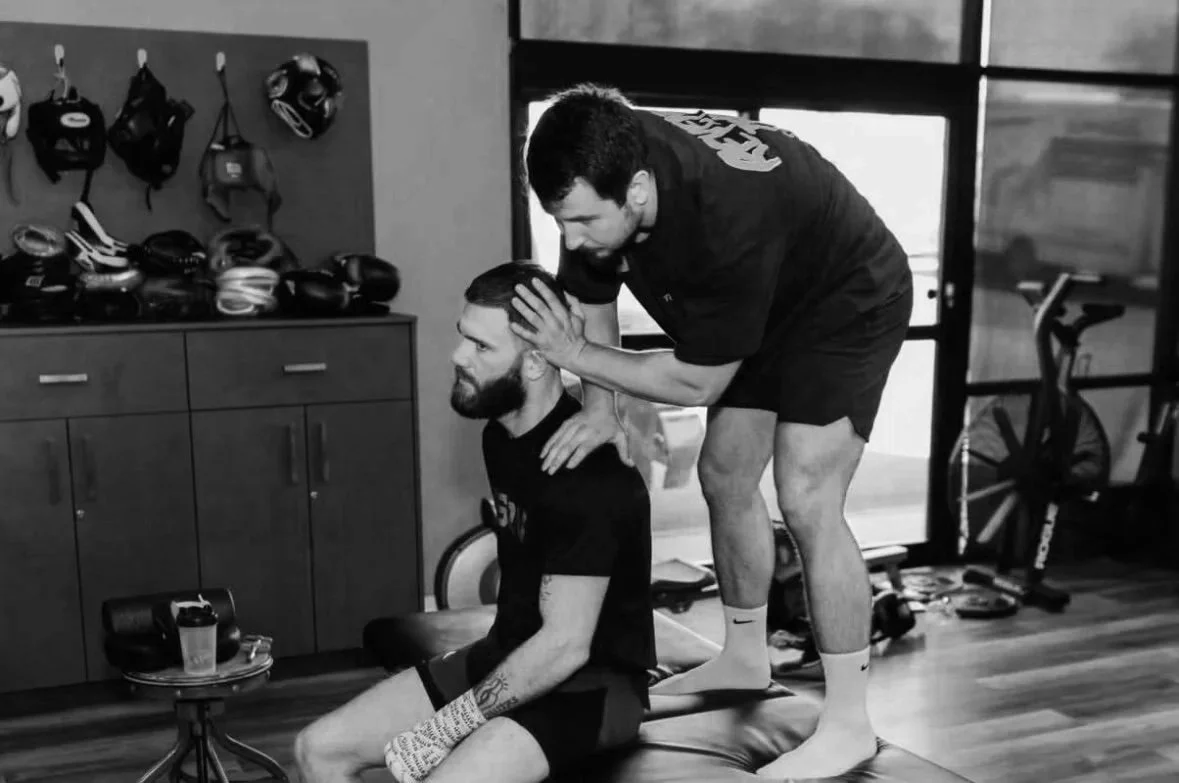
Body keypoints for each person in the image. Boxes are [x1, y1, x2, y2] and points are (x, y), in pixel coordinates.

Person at [510, 83, 914, 779]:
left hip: (844, 299)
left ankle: (848, 721)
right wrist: (601, 407)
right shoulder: (600, 156)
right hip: (768, 296)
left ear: (636, 191)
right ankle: (744, 655)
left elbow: (698, 382)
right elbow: (593, 296)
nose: (568, 238)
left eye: (578, 220)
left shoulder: (727, 216)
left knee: (806, 493)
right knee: (724, 472)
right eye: (558, 220)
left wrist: (575, 359)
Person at [294, 261, 656, 783]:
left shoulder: (589, 478)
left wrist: (449, 727)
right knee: (318, 750)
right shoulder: (500, 435)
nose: (457, 356)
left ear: (535, 363)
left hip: (591, 687)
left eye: (482, 348)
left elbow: (565, 646)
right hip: (508, 653)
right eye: (464, 337)